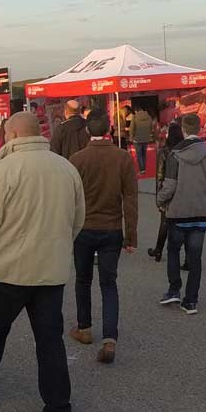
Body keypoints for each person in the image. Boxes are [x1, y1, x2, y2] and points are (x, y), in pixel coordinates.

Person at [0, 112, 85, 412]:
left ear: (11, 135)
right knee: (50, 340)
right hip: (49, 272)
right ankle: (58, 409)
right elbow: (77, 219)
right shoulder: (66, 168)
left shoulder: (2, 171)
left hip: (6, 272)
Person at [66, 110, 138, 363]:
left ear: (87, 130)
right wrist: (131, 235)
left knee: (83, 279)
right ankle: (110, 338)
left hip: (83, 229)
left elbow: (69, 200)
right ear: (109, 129)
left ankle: (84, 327)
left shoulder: (77, 159)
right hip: (112, 229)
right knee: (109, 284)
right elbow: (130, 197)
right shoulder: (123, 158)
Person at [156, 113, 206, 315]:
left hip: (178, 213)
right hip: (201, 214)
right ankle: (191, 300)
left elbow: (170, 185)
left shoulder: (175, 155)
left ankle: (174, 289)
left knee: (174, 251)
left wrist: (160, 201)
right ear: (199, 128)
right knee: (195, 258)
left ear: (184, 129)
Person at [148, 123, 185, 261]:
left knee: (165, 222)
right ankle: (187, 257)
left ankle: (158, 250)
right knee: (185, 224)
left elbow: (159, 176)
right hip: (184, 190)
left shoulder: (164, 152)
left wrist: (159, 198)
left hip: (168, 190)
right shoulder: (185, 151)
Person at [129, 105, 154, 174]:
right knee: (144, 154)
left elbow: (132, 128)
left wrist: (131, 137)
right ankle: (144, 168)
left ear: (136, 111)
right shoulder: (149, 117)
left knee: (139, 154)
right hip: (146, 138)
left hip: (137, 139)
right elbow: (151, 128)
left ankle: (142, 169)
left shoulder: (134, 117)